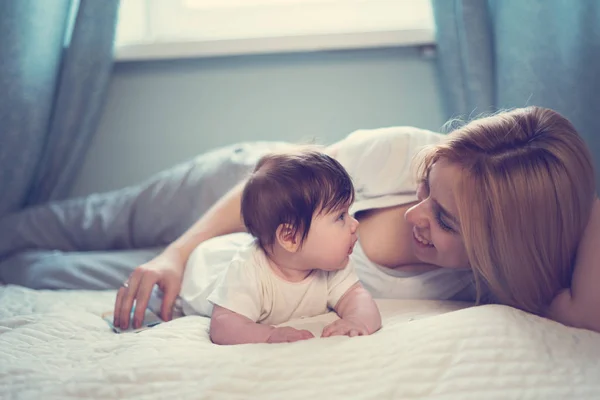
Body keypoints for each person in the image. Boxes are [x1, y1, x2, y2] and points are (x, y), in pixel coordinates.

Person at [112, 106, 600, 333]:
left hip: (234, 267)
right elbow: (288, 172)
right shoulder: (399, 152)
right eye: (427, 185)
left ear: (502, 249)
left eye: (446, 222)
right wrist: (174, 254)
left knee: (50, 272)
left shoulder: (497, 284)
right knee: (79, 223)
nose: (415, 212)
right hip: (244, 189)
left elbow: (584, 315)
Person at [148, 149, 381, 344]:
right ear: (290, 237)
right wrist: (269, 334)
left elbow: (357, 297)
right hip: (206, 265)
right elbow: (223, 325)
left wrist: (357, 320)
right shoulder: (248, 270)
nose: (354, 224)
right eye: (340, 216)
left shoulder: (333, 264)